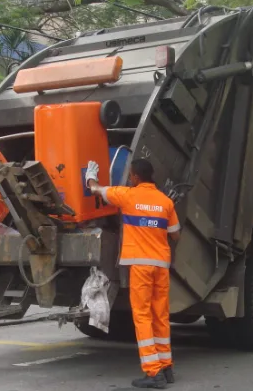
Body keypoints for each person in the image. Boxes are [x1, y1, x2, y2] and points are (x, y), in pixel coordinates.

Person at [85, 158, 181, 389]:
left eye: (131, 175)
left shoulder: (128, 195)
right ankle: (166, 366)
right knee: (160, 314)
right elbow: (175, 235)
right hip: (160, 266)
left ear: (136, 177)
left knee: (142, 316)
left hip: (141, 267)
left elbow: (95, 190)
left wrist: (90, 175)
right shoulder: (166, 201)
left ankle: (153, 372)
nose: (130, 178)